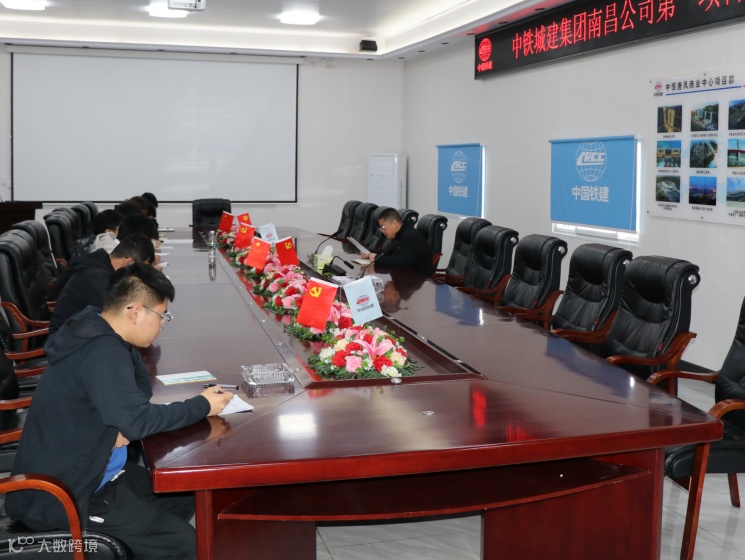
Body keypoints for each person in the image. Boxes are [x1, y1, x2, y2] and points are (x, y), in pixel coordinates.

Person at [6, 262, 233, 560]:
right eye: (162, 316)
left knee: (182, 497)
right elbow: (138, 422)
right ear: (135, 311)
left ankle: (141, 545)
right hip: (68, 494)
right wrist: (202, 405)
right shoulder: (102, 351)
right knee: (187, 545)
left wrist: (120, 422)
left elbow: (138, 393)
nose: (162, 325)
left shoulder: (98, 328)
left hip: (96, 468)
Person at [49, 234, 155, 334]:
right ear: (129, 262)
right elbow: (119, 316)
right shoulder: (97, 278)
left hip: (83, 332)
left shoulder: (103, 266)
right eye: (142, 269)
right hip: (66, 340)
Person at [361, 208, 435, 276]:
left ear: (394, 223)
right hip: (403, 276)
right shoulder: (401, 233)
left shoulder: (411, 237)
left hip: (417, 279)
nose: (382, 231)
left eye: (383, 227)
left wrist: (376, 258)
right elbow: (388, 251)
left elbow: (403, 261)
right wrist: (369, 252)